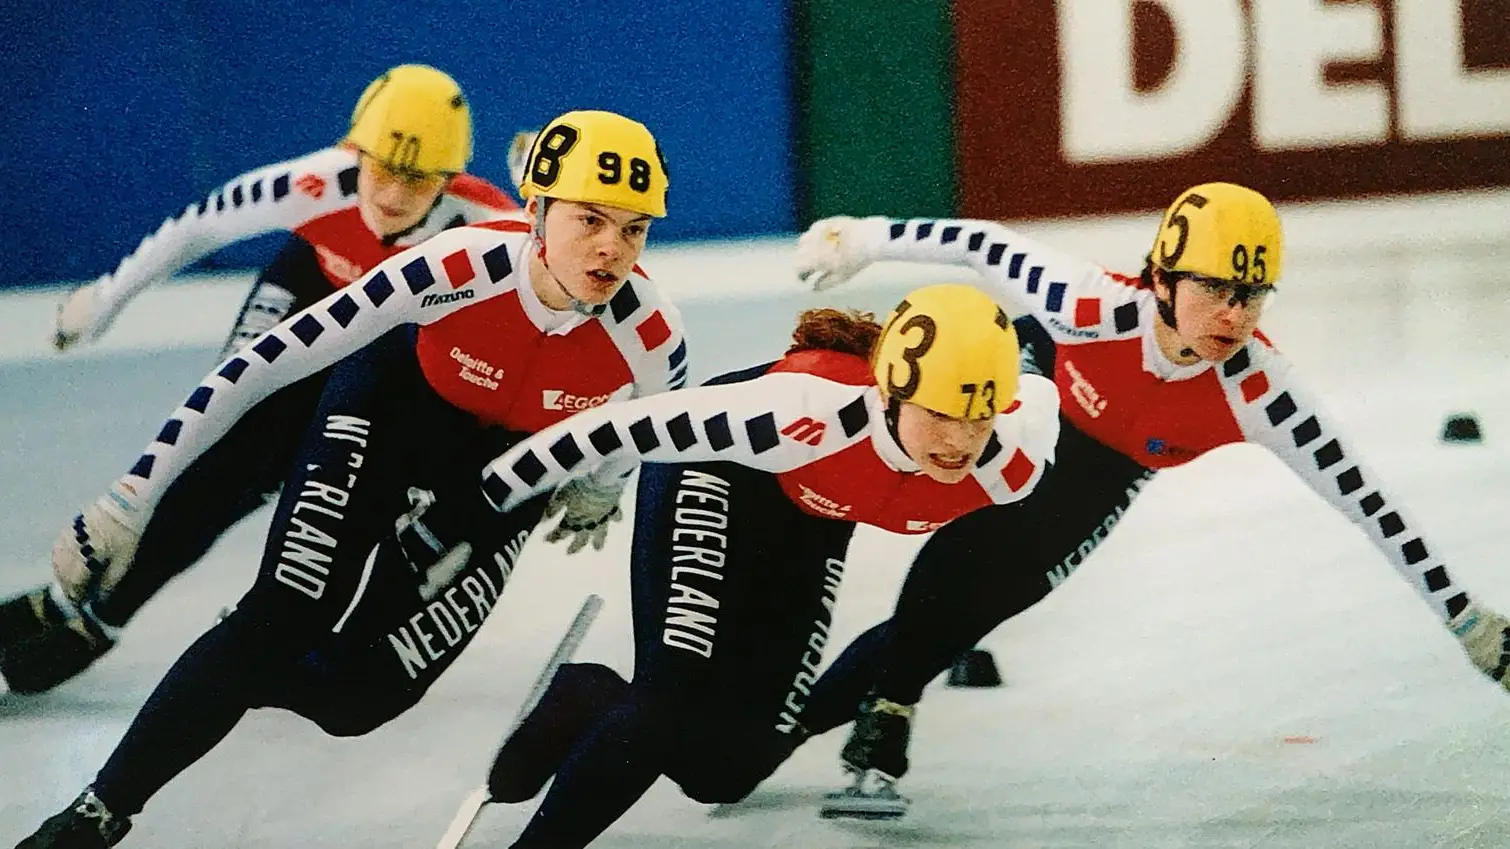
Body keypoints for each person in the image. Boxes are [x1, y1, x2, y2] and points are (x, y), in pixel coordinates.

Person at [15, 108, 686, 848]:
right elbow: (261, 364)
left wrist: (602, 486)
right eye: (590, 219)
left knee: (358, 698)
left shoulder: (651, 331)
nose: (610, 248)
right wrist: (129, 497)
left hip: (498, 482)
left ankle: (242, 661)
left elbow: (644, 429)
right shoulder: (455, 266)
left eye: (633, 228)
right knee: (282, 614)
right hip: (386, 414)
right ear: (535, 210)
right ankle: (95, 812)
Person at [783, 182, 1510, 786]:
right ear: (1162, 278)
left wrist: (1470, 623)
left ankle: (805, 730)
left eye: (1255, 294)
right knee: (986, 538)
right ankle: (884, 700)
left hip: (1109, 464)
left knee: (992, 598)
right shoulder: (1089, 304)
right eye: (1218, 288)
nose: (1237, 314)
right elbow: (983, 244)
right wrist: (862, 238)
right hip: (1032, 389)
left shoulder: (1261, 390)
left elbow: (1367, 500)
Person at [451, 282, 1062, 847]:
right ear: (889, 394)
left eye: (978, 417)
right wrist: (486, 503)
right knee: (670, 702)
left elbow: (1040, 389)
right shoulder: (799, 415)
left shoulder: (1014, 464)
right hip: (718, 469)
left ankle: (589, 695)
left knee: (725, 772)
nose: (959, 442)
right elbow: (617, 428)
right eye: (940, 415)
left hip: (813, 517)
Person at [0, 64, 523, 696]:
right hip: (309, 289)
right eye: (380, 168)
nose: (390, 195)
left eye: (416, 179)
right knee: (226, 450)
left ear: (449, 179)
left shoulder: (488, 224)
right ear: (352, 152)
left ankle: (106, 614)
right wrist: (103, 300)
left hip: (383, 335)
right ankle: (83, 612)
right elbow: (199, 225)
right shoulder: (317, 183)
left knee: (299, 470)